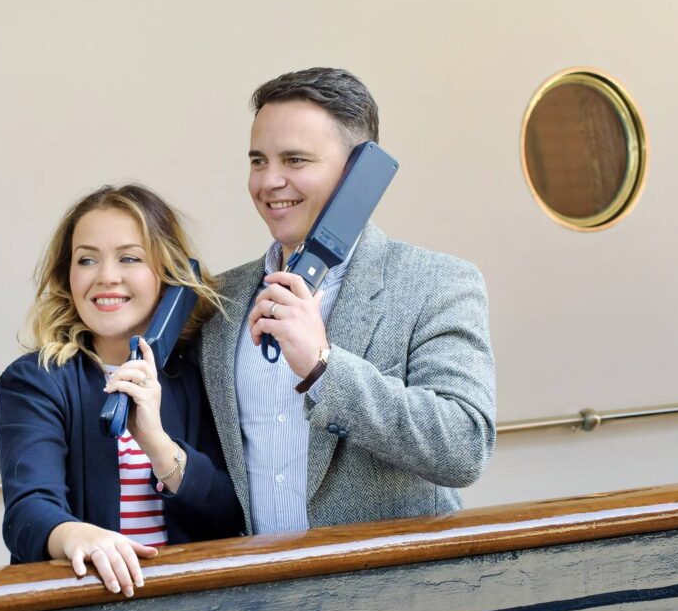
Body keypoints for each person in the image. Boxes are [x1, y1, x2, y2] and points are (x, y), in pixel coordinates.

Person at [199, 67, 496, 535]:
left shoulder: (436, 283)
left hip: (393, 578)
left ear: (359, 173)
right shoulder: (223, 300)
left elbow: (464, 447)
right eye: (258, 161)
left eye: (295, 160)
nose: (269, 181)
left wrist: (324, 367)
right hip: (258, 578)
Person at [0, 184, 241, 597]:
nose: (106, 277)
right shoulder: (35, 382)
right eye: (87, 259)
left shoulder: (202, 376)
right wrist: (74, 534)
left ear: (167, 274)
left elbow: (228, 515)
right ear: (67, 276)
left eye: (129, 258)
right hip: (87, 607)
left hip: (191, 606)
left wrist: (159, 446)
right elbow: (27, 513)